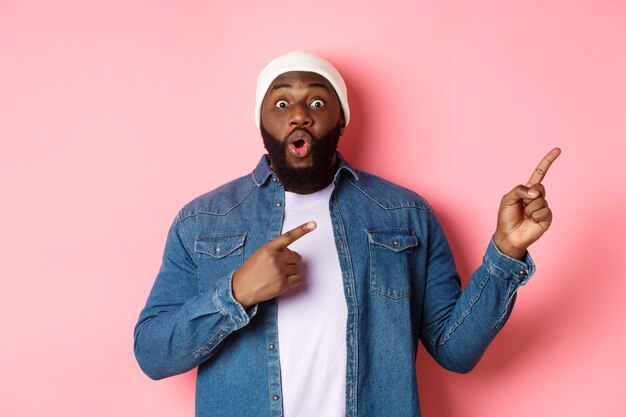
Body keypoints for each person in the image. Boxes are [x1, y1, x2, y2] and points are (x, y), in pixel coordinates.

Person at [134, 51, 560, 417]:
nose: (299, 113)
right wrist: (237, 293)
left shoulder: (405, 214)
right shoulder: (204, 220)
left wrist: (505, 254)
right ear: (260, 123)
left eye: (317, 101)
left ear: (341, 119)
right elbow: (153, 353)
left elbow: (456, 351)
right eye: (280, 103)